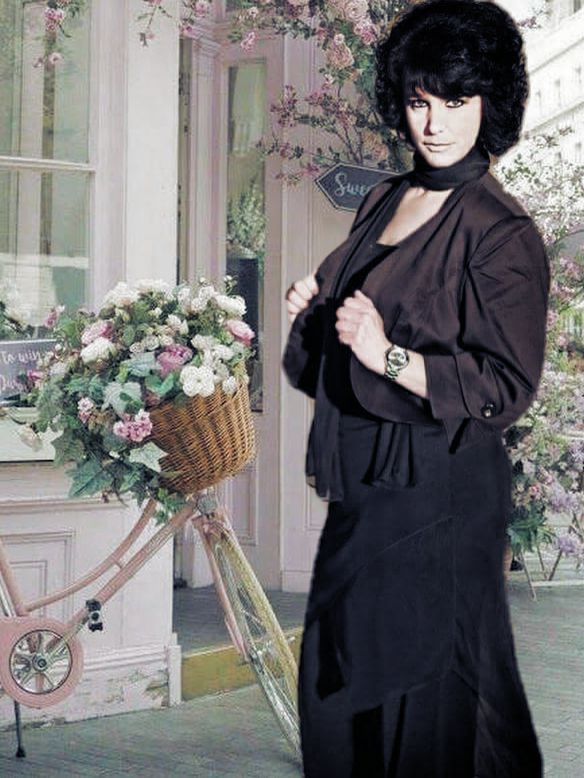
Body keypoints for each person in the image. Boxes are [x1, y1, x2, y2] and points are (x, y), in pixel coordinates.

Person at [282, 0, 549, 775]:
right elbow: (335, 358)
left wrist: (390, 356)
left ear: (492, 103)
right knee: (339, 694)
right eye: (420, 100)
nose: (433, 124)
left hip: (440, 494)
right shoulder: (383, 199)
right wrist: (313, 316)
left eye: (456, 101)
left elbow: (507, 384)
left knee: (424, 704)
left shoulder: (500, 230)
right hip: (366, 490)